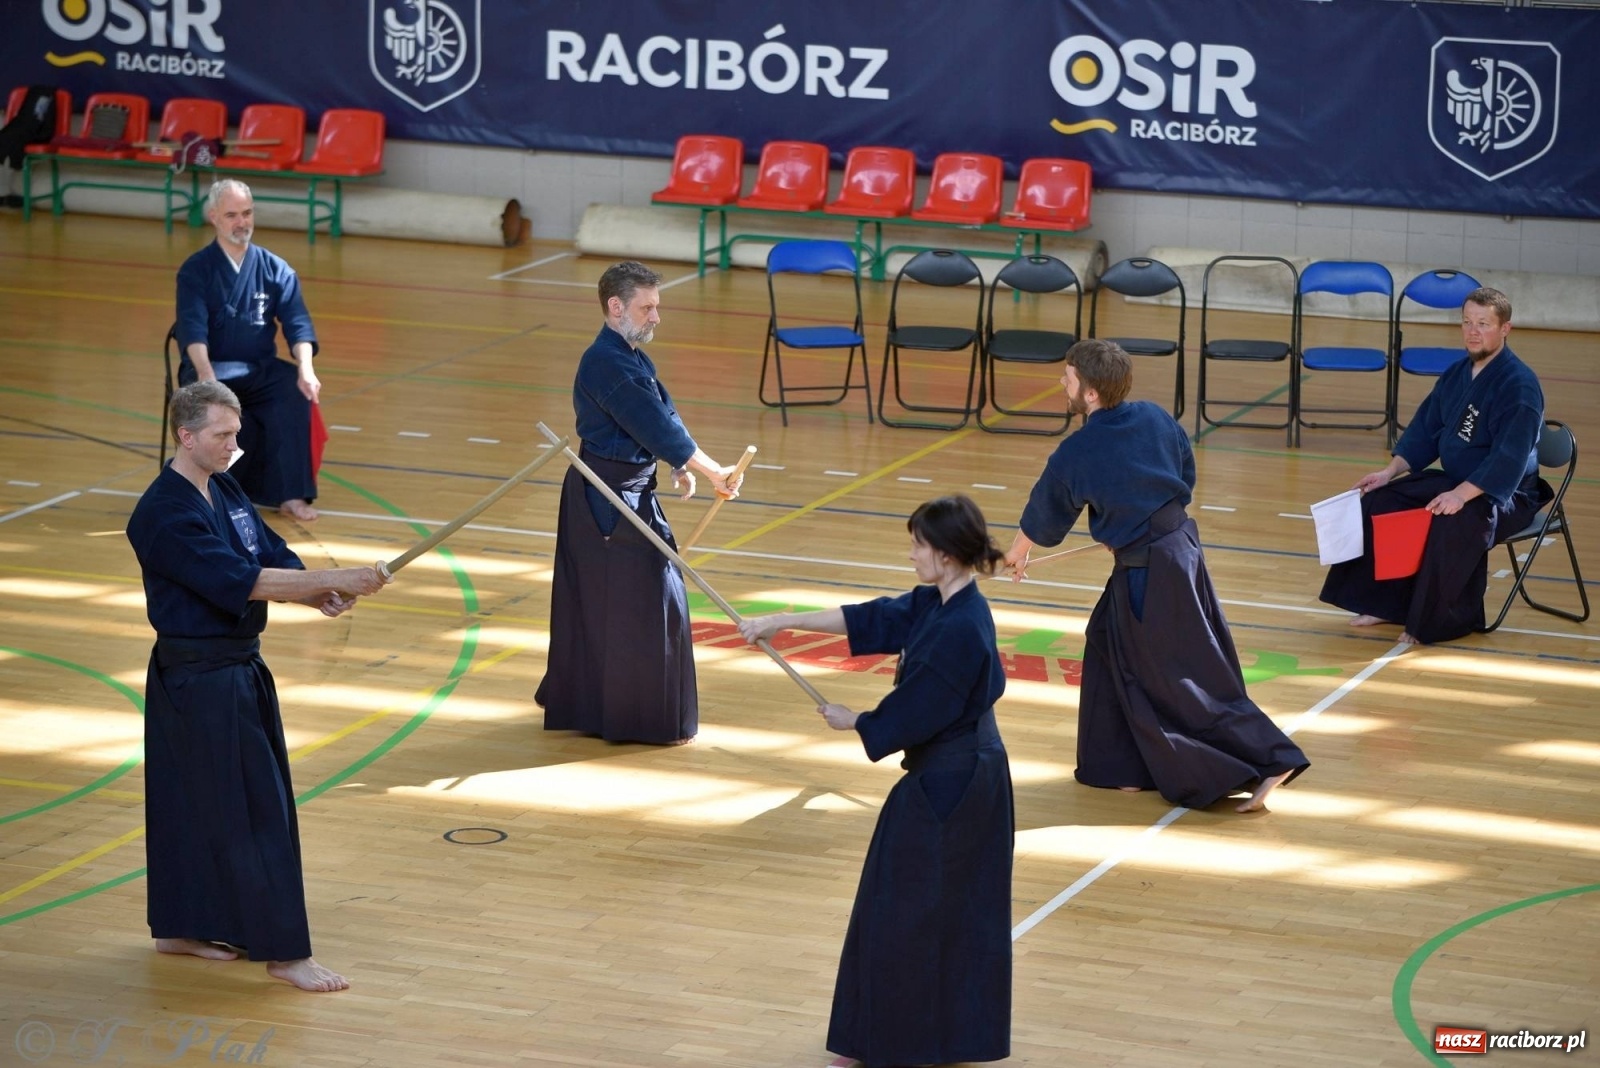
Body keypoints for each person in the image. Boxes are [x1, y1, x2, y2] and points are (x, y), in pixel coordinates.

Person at [125, 381, 389, 992]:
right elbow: (241, 579)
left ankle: (180, 926)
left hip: (236, 669)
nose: (234, 445)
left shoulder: (224, 486)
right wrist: (339, 576)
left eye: (236, 434)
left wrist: (317, 588)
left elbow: (269, 551)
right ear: (185, 436)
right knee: (255, 811)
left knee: (197, 803)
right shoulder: (162, 513)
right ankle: (284, 953)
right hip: (198, 679)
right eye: (222, 435)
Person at [739, 496, 1014, 1068]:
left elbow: (919, 709)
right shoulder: (939, 603)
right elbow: (871, 617)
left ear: (945, 554)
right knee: (917, 906)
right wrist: (780, 622)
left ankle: (901, 1041)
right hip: (954, 773)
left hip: (957, 782)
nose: (911, 554)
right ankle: (910, 1036)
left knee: (910, 910)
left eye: (918, 545)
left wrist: (859, 721)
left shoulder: (961, 627)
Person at [1003, 339, 1308, 813]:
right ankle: (1122, 767)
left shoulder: (1077, 450)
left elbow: (1048, 511)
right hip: (1176, 549)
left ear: (1089, 393)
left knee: (1183, 677)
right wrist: (1133, 522)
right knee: (1105, 641)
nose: (1062, 382)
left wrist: (1017, 552)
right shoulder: (1154, 416)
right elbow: (1182, 475)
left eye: (1069, 377)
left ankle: (1272, 758)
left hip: (1154, 569)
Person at [536, 260, 742, 745]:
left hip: (628, 490)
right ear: (616, 306)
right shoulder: (605, 362)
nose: (656, 317)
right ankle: (625, 714)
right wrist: (711, 471)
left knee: (638, 602)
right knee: (639, 603)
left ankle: (607, 707)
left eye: (656, 307)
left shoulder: (632, 358)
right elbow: (650, 423)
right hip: (605, 500)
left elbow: (664, 417)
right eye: (647, 307)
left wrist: (676, 465)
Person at [1321, 287, 1546, 644]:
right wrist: (1388, 472)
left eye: (1483, 324)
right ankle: (1385, 604)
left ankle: (1437, 621)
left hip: (1504, 494)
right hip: (1457, 481)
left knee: (1451, 520)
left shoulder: (1519, 385)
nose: (1473, 332)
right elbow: (1425, 429)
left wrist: (1462, 494)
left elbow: (1510, 457)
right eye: (1467, 322)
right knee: (1382, 500)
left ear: (1505, 329)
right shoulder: (1457, 374)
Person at [176, 178, 322, 522]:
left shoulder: (275, 268)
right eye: (232, 215)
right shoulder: (196, 270)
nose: (242, 222)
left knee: (293, 392)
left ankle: (290, 494)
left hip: (258, 368)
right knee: (213, 406)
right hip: (209, 368)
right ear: (214, 217)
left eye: (247, 213)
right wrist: (206, 375)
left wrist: (306, 368)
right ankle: (209, 491)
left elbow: (298, 322)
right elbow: (192, 328)